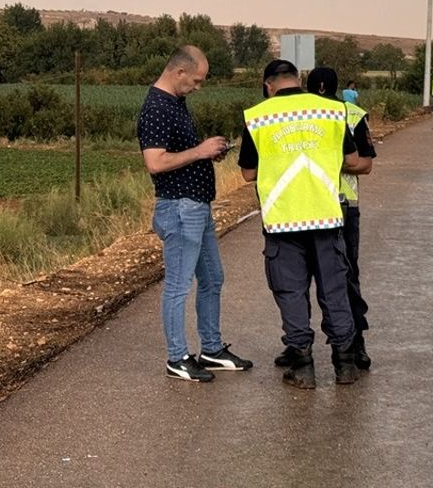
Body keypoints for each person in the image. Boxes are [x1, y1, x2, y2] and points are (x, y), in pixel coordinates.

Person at [239, 59, 368, 389]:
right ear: (299, 79)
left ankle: (303, 367)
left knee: (291, 293)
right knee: (334, 291)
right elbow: (353, 161)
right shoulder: (331, 112)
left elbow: (249, 173)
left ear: (269, 85)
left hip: (283, 222)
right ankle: (345, 365)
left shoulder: (258, 117)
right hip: (326, 216)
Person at [138, 45, 253, 382]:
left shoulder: (176, 103)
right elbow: (155, 162)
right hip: (179, 207)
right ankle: (177, 357)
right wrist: (199, 151)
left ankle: (212, 349)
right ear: (179, 72)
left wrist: (205, 154)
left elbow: (178, 153)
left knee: (213, 278)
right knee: (178, 285)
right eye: (197, 81)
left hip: (197, 206)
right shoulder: (156, 108)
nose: (198, 87)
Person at [306, 67, 376, 370]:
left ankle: (355, 342)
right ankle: (299, 345)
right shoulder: (300, 114)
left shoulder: (352, 115)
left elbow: (365, 164)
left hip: (342, 207)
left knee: (346, 275)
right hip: (306, 204)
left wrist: (330, 162)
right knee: (300, 279)